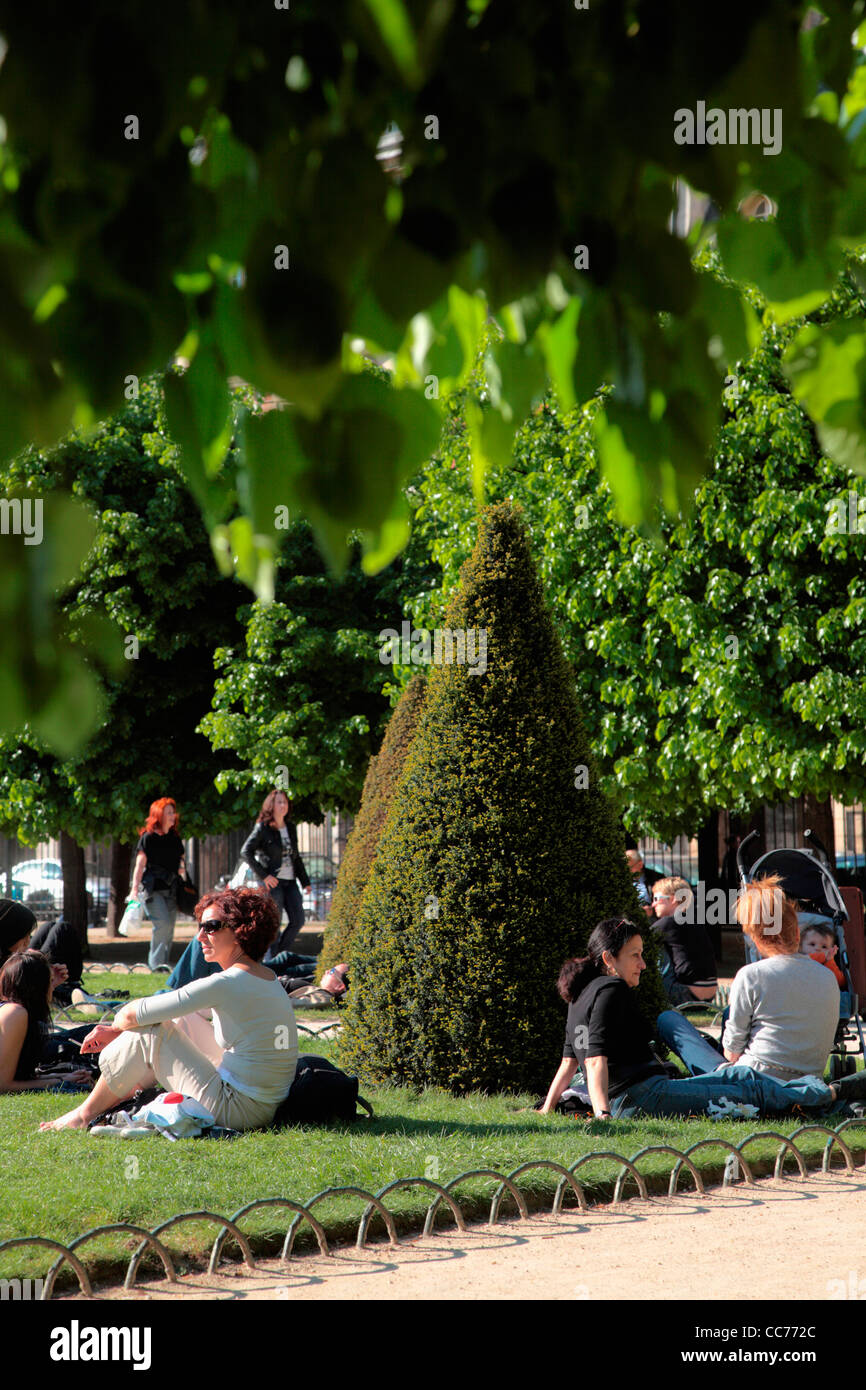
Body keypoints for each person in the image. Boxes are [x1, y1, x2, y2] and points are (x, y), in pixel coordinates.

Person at [537, 915, 866, 1119]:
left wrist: (547, 1108)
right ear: (609, 958)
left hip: (642, 1092)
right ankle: (829, 1094)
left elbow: (569, 1062)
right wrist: (603, 1115)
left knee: (741, 1080)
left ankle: (826, 1093)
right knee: (746, 1086)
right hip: (643, 1096)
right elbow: (594, 1061)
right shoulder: (611, 989)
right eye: (635, 956)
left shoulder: (579, 994)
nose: (643, 964)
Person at [39, 887, 299, 1133]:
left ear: (242, 931)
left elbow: (131, 1014)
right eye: (201, 927)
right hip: (261, 1105)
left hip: (238, 1109)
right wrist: (124, 1027)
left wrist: (115, 1029)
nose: (200, 937)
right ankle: (125, 1090)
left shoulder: (227, 982)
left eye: (211, 927)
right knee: (178, 1017)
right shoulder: (266, 977)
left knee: (153, 1031)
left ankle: (84, 1114)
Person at [658, 876, 840, 1082]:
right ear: (797, 932)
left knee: (668, 1020)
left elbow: (732, 1054)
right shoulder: (827, 976)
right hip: (808, 1078)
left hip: (752, 1080)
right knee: (729, 1014)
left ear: (754, 938)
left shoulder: (751, 975)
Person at [0, 951, 93, 1093]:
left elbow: (20, 1078)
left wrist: (65, 1077)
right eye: (49, 982)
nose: (52, 989)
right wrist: (61, 1081)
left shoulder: (15, 1010)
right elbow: (3, 1085)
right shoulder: (15, 1014)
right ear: (36, 987)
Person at [240, 790, 310, 960]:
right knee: (274, 925)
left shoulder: (290, 828)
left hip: (291, 881)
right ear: (271, 806)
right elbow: (245, 852)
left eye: (285, 802)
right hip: (273, 883)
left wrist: (305, 881)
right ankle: (271, 962)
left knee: (298, 920)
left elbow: (296, 857)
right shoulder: (263, 828)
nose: (283, 805)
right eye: (279, 802)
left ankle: (278, 956)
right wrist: (264, 876)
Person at [130, 797, 189, 970]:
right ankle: (155, 965)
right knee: (162, 923)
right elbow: (139, 865)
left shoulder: (174, 838)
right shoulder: (148, 838)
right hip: (152, 890)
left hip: (171, 889)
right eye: (169, 812)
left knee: (169, 927)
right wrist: (134, 889)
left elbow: (180, 864)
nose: (173, 815)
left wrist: (181, 872)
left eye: (173, 812)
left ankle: (163, 965)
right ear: (159, 815)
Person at [650, 877, 718, 1006]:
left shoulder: (667, 923)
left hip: (685, 994)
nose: (653, 904)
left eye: (656, 899)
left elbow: (639, 942)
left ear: (674, 898)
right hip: (707, 997)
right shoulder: (695, 921)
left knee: (648, 949)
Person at [800, 923, 846, 989]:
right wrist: (822, 957)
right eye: (812, 944)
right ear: (800, 946)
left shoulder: (828, 963)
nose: (818, 948)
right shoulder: (798, 959)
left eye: (824, 947)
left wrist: (829, 961)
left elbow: (841, 982)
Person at [625, 850, 658, 919]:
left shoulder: (655, 878)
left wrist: (652, 910)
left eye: (629, 868)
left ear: (640, 864)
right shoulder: (623, 881)